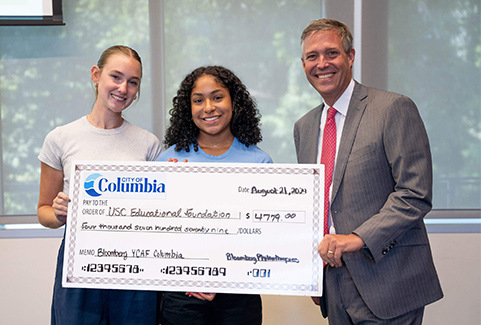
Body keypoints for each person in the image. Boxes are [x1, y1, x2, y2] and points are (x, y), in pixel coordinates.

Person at [294, 19, 443, 324]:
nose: (322, 63)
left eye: (331, 53)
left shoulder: (392, 109)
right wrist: (310, 271)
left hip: (387, 278)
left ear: (350, 56)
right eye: (312, 56)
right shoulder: (304, 127)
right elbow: (314, 207)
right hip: (332, 283)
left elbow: (415, 193)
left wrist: (357, 238)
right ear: (303, 63)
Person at [37, 45, 161, 324]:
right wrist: (57, 214)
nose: (123, 88)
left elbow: (158, 215)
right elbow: (44, 211)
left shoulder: (149, 144)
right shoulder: (60, 138)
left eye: (133, 82)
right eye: (116, 77)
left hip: (135, 268)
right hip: (80, 267)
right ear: (96, 75)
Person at [158, 65, 271, 324]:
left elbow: (263, 234)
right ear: (189, 109)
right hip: (182, 293)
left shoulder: (259, 162)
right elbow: (157, 233)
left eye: (217, 97)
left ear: (235, 102)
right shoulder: (169, 160)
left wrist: (223, 276)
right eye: (198, 100)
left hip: (239, 295)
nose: (208, 107)